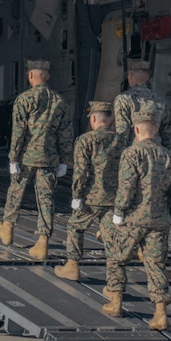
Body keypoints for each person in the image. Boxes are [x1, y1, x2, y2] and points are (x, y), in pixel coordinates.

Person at [102, 104, 171, 331]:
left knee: (117, 258)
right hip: (160, 220)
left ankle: (116, 301)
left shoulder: (132, 154)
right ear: (156, 129)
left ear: (136, 129)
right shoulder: (169, 157)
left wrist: (119, 212)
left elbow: (127, 187)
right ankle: (160, 313)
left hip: (134, 219)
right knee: (156, 265)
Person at [0, 59, 72, 259]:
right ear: (48, 77)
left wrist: (13, 158)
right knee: (46, 198)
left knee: (16, 191)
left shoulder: (24, 99)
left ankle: (8, 227)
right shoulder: (59, 101)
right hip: (49, 158)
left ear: (30, 75)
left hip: (27, 156)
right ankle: (43, 240)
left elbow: (18, 132)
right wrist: (64, 160)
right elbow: (65, 134)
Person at [54, 101, 118, 282]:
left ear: (94, 118)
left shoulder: (85, 140)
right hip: (114, 198)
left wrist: (77, 195)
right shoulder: (122, 141)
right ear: (110, 119)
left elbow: (81, 171)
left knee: (75, 226)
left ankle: (72, 265)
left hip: (91, 197)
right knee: (111, 238)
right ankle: (114, 281)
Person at [113, 58, 171, 152]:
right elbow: (168, 134)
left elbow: (122, 132)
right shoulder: (159, 100)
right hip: (158, 153)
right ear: (147, 78)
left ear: (131, 75)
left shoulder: (124, 99)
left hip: (134, 154)